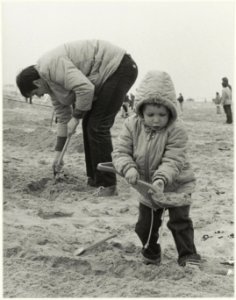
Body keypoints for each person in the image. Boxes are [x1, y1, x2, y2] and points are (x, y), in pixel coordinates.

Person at [16, 39, 138, 196]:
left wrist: (76, 117)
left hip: (119, 68)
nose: (39, 96)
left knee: (97, 126)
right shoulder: (52, 86)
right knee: (89, 125)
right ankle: (94, 180)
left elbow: (85, 89)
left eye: (35, 93)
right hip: (107, 76)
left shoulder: (50, 66)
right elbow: (62, 119)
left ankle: (107, 185)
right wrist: (58, 156)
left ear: (36, 82)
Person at [112, 70, 201, 266]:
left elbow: (174, 159)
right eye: (150, 114)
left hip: (177, 184)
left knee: (180, 222)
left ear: (170, 111)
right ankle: (151, 252)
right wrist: (129, 169)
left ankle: (188, 256)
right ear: (141, 110)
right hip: (147, 185)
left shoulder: (177, 129)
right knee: (145, 226)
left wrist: (161, 178)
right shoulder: (131, 125)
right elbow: (120, 152)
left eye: (162, 114)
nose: (156, 119)